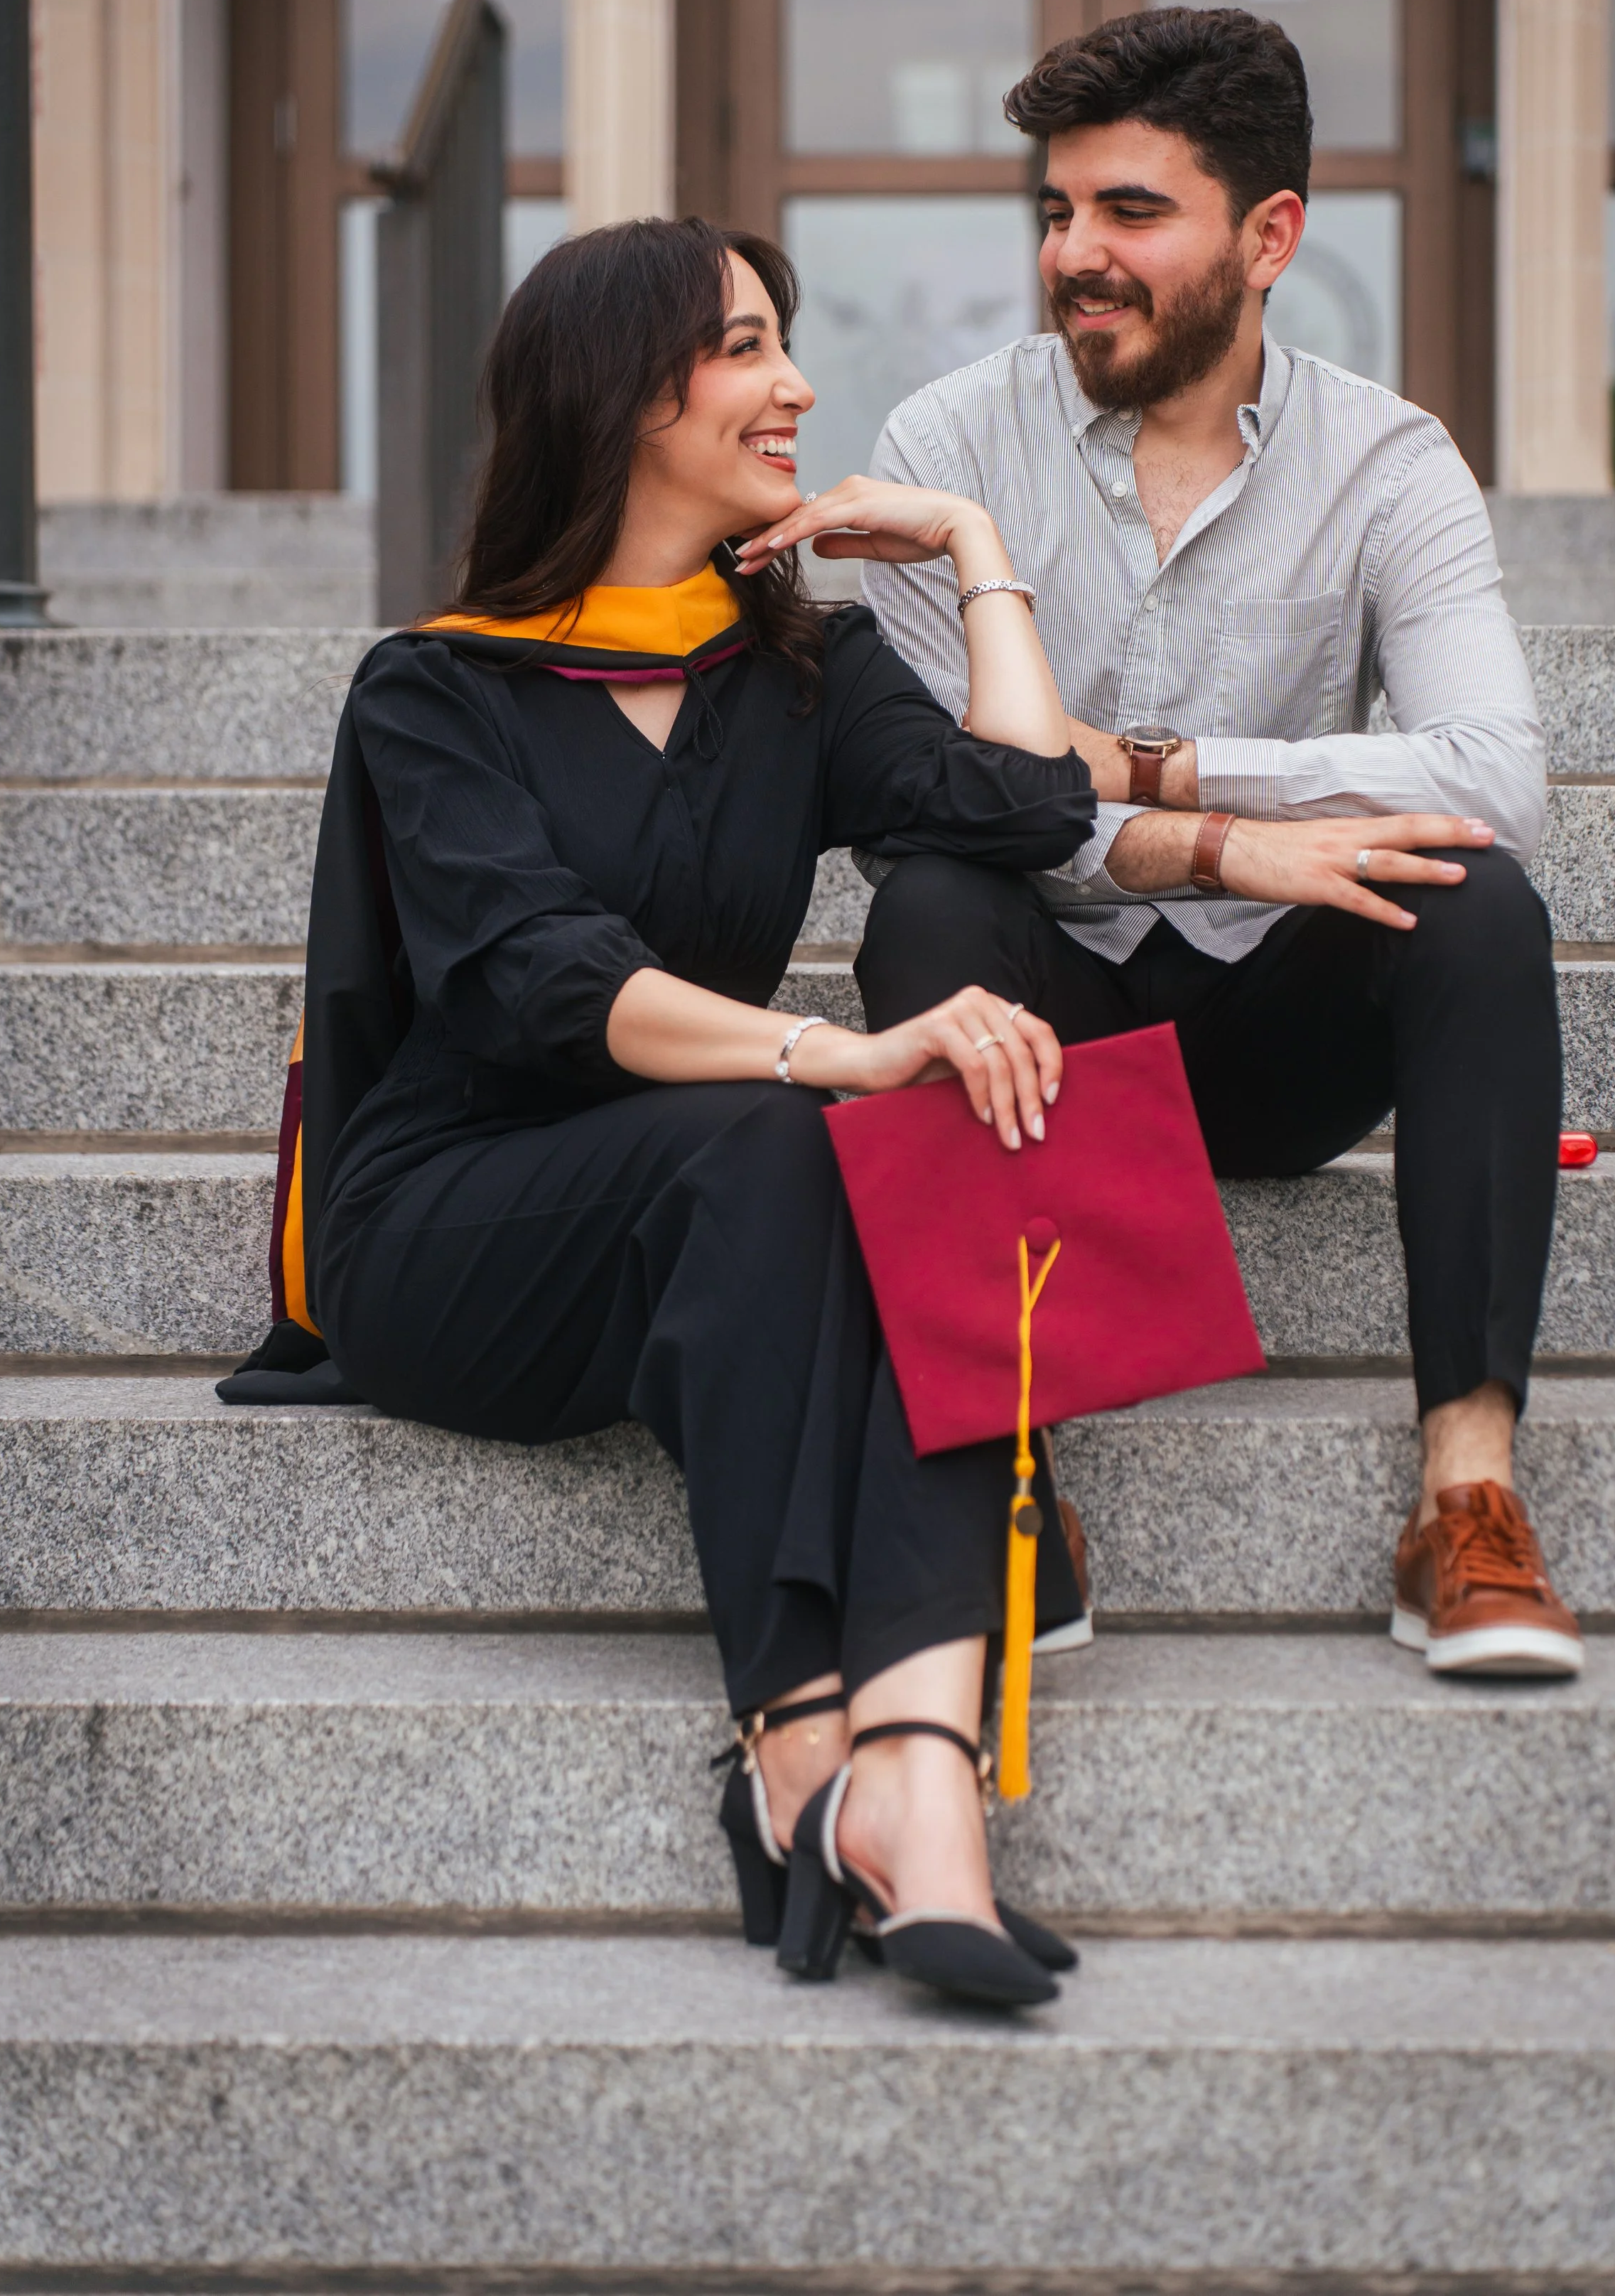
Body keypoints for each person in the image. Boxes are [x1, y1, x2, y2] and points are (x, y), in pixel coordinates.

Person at [298, 217, 1100, 2007]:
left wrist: (971, 546)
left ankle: (907, 1771)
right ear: (620, 388)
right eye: (745, 345)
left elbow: (1029, 807)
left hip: (717, 1201)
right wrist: (831, 1050)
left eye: (781, 343)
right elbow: (538, 982)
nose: (796, 383)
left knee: (861, 1156)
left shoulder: (792, 670)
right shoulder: (438, 689)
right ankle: (809, 1745)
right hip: (456, 1224)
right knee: (813, 1125)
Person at [748, 6, 1582, 1683]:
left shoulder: (1389, 461)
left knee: (1473, 900)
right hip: (1049, 1033)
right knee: (929, 896)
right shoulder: (944, 451)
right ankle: (1002, 1488)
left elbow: (1495, 774)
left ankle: (1465, 1496)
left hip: (1273, 1048)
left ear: (1267, 235)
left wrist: (1169, 771)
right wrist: (1210, 848)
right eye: (1056, 214)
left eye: (1130, 213)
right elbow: (953, 799)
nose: (1075, 257)